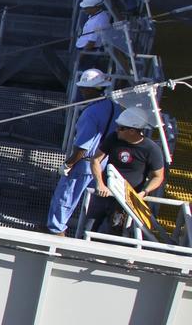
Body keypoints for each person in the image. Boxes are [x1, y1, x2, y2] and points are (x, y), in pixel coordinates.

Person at [46, 69, 117, 235]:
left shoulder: (91, 113)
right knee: (90, 200)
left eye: (85, 88)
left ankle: (56, 231)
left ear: (93, 89)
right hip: (103, 161)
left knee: (66, 196)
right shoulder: (113, 107)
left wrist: (69, 164)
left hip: (84, 163)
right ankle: (86, 231)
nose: (82, 91)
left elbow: (82, 146)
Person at [85, 107, 167, 235]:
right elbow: (95, 160)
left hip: (125, 200)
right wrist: (100, 184)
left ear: (132, 131)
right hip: (104, 194)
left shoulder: (151, 149)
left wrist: (143, 193)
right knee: (88, 228)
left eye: (121, 128)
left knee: (114, 233)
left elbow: (158, 176)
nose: (117, 129)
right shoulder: (113, 138)